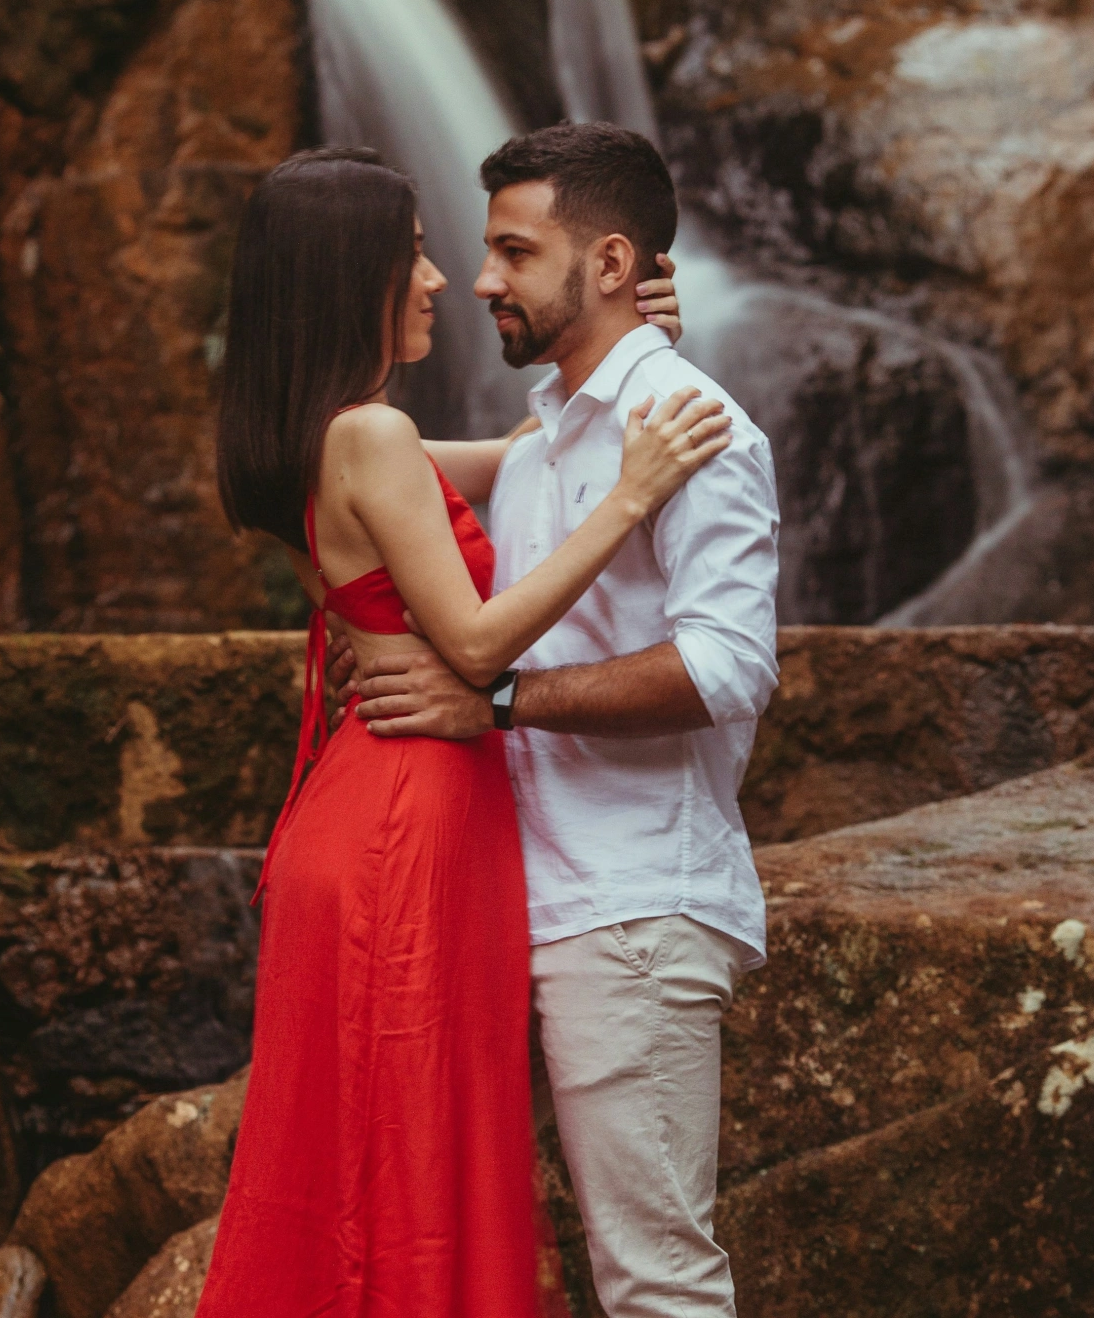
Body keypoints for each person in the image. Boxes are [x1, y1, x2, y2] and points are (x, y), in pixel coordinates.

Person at [195, 146, 731, 1318]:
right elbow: (480, 647)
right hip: (406, 820)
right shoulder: (371, 437)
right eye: (416, 256)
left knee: (367, 1156)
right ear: (354, 281)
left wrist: (632, 350)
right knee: (410, 1156)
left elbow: (537, 456)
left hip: (368, 809)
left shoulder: (314, 440)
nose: (443, 279)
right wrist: (631, 499)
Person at [336, 123, 781, 1317]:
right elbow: (342, 467)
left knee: (652, 1281)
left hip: (629, 905)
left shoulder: (696, 432)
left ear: (608, 262)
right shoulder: (548, 436)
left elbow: (726, 666)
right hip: (514, 893)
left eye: (514, 253)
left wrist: (499, 703)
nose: (483, 280)